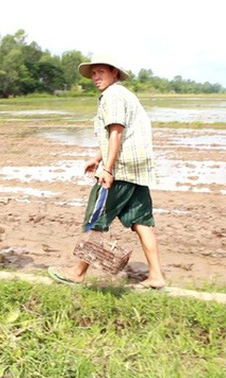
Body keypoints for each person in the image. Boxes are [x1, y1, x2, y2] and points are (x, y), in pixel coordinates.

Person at [47, 54, 166, 289]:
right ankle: (157, 276)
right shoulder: (124, 94)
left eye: (100, 72)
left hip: (121, 170)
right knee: (142, 222)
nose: (95, 77)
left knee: (96, 218)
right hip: (137, 169)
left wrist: (107, 169)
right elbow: (123, 134)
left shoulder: (112, 96)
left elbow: (117, 133)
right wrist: (97, 157)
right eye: (93, 73)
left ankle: (77, 272)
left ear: (114, 72)